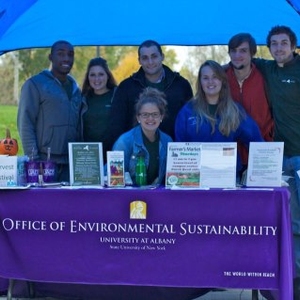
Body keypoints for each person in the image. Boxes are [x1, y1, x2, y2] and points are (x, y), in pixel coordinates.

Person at [253, 25, 300, 300]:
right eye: (274, 44)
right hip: (282, 159)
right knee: (291, 220)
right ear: (268, 48)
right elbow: (240, 59)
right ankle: (294, 279)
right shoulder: (268, 70)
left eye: (284, 43)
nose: (279, 48)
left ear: (294, 45)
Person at [175, 60, 264, 177]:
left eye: (215, 77)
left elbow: (257, 143)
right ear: (200, 82)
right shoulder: (188, 111)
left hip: (227, 176)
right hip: (196, 178)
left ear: (222, 80)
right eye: (205, 78)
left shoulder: (234, 111)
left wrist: (262, 170)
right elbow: (178, 148)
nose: (210, 82)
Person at [17, 40, 82, 182]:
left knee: (70, 204)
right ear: (50, 57)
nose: (66, 58)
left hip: (71, 164)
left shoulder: (76, 90)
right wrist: (34, 160)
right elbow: (25, 123)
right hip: (44, 163)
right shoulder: (35, 84)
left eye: (70, 55)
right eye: (60, 54)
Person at [110, 40, 193, 143]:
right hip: (136, 154)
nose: (150, 62)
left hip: (175, 152)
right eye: (145, 58)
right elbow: (116, 125)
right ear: (139, 60)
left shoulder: (181, 85)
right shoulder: (126, 87)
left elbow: (190, 123)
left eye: (154, 56)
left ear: (162, 56)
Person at [226, 33, 273, 172]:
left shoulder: (265, 78)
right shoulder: (220, 79)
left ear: (252, 53)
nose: (237, 55)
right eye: (233, 51)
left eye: (243, 51)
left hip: (263, 152)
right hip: (229, 156)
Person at [112, 87, 172, 186]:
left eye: (155, 114)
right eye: (145, 114)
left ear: (161, 117)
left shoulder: (167, 141)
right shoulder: (124, 142)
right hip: (129, 196)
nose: (150, 118)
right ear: (138, 117)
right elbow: (113, 180)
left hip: (157, 195)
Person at [81, 57, 117, 162]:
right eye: (92, 75)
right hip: (88, 156)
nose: (97, 79)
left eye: (101, 74)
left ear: (107, 76)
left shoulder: (117, 95)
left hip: (113, 156)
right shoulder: (83, 98)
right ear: (88, 77)